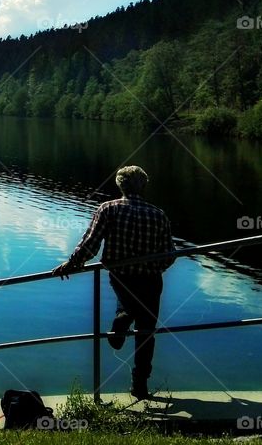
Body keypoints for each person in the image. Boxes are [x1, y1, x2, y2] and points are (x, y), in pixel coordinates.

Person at [51, 165, 175, 399]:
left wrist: (71, 263)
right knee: (146, 332)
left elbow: (91, 243)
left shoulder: (109, 209)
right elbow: (169, 255)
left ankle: (123, 318)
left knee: (127, 305)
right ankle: (140, 386)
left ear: (120, 185)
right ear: (144, 185)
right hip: (150, 280)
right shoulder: (158, 214)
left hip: (121, 276)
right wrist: (152, 267)